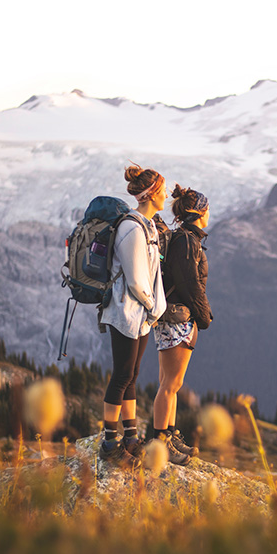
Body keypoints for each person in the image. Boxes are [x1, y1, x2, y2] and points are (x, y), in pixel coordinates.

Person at [98, 165, 167, 466]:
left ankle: (130, 435)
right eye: (162, 190)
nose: (166, 195)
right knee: (122, 375)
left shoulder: (148, 226)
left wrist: (154, 309)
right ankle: (109, 442)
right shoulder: (132, 228)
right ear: (151, 195)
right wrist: (154, 307)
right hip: (125, 313)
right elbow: (138, 280)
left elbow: (153, 274)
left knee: (133, 375)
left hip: (140, 315)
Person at [152, 184, 213, 465]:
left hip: (169, 315)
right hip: (178, 317)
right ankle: (160, 442)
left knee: (170, 383)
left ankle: (170, 435)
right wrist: (204, 316)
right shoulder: (188, 241)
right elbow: (191, 284)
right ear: (200, 212)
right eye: (207, 209)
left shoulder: (182, 238)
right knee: (170, 384)